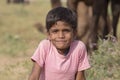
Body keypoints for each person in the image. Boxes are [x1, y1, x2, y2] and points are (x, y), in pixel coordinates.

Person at [28, 7, 90, 80]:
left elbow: (80, 77)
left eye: (66, 30)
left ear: (74, 33)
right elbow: (34, 76)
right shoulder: (45, 46)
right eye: (55, 31)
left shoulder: (79, 48)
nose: (61, 36)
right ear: (48, 34)